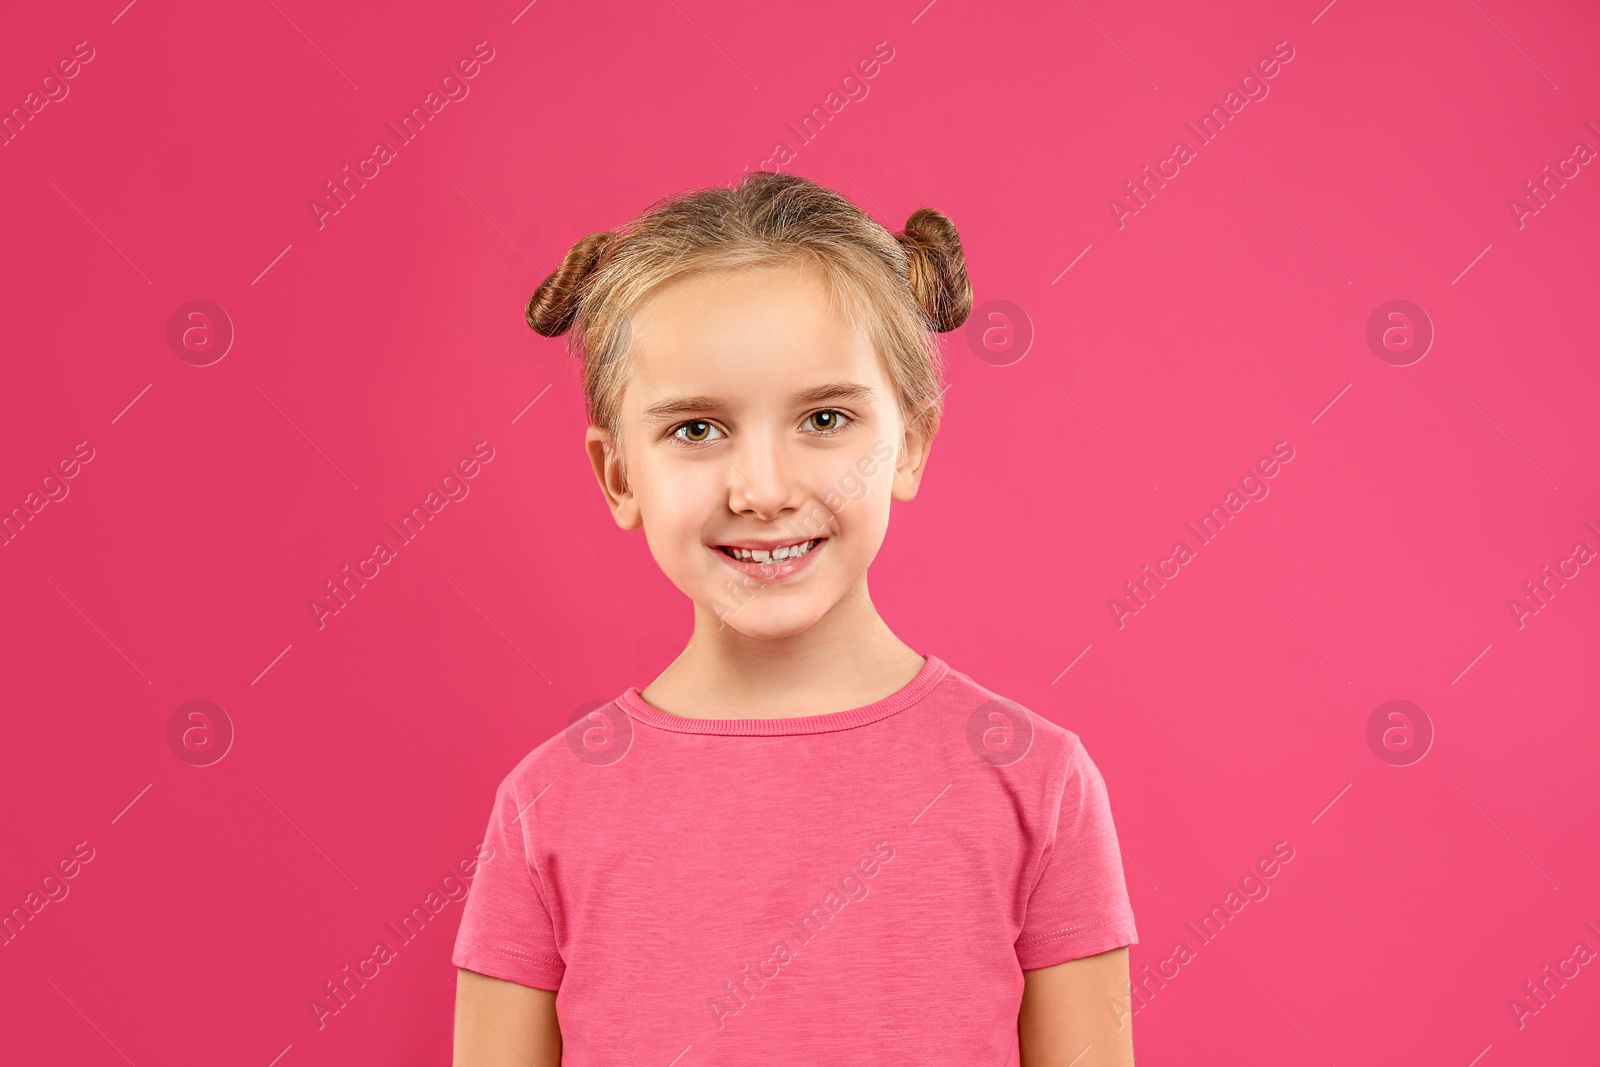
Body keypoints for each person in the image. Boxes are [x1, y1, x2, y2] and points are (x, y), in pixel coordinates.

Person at [451, 171, 1139, 1066]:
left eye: (824, 416)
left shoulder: (1037, 784)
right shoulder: (546, 808)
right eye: (697, 429)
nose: (764, 490)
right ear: (619, 473)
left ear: (913, 439)